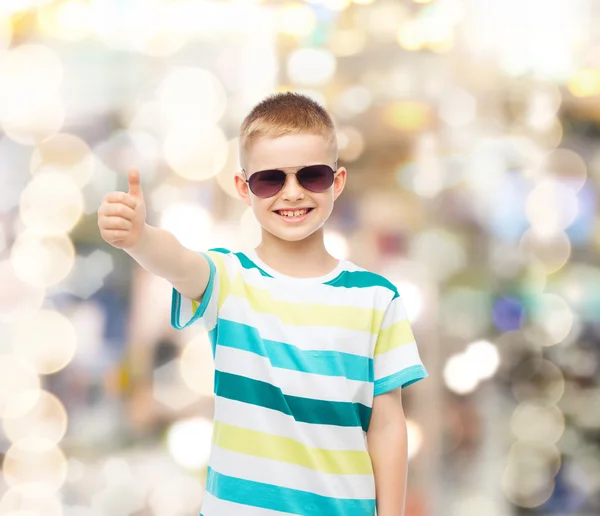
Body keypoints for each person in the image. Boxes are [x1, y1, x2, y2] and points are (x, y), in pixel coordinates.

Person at [98, 92, 428, 516]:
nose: (292, 193)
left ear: (337, 182)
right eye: (271, 179)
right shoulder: (228, 281)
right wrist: (139, 238)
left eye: (311, 176)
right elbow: (178, 261)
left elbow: (387, 427)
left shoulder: (377, 298)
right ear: (243, 187)